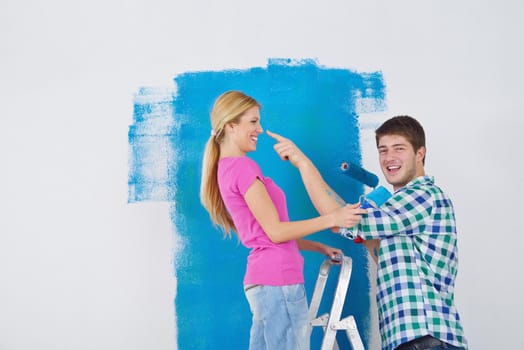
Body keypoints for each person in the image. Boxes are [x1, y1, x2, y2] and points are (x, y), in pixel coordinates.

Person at [268, 115, 468, 350]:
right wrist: (355, 218)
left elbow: (342, 221)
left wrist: (303, 163)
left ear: (420, 153)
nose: (389, 158)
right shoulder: (398, 214)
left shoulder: (423, 194)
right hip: (414, 341)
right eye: (383, 150)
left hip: (426, 341)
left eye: (399, 149)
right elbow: (353, 228)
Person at [199, 90, 366, 350]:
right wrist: (334, 217)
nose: (260, 129)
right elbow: (276, 232)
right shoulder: (243, 167)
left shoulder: (226, 168)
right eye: (253, 121)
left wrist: (317, 246)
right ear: (232, 125)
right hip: (277, 283)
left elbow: (267, 234)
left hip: (267, 282)